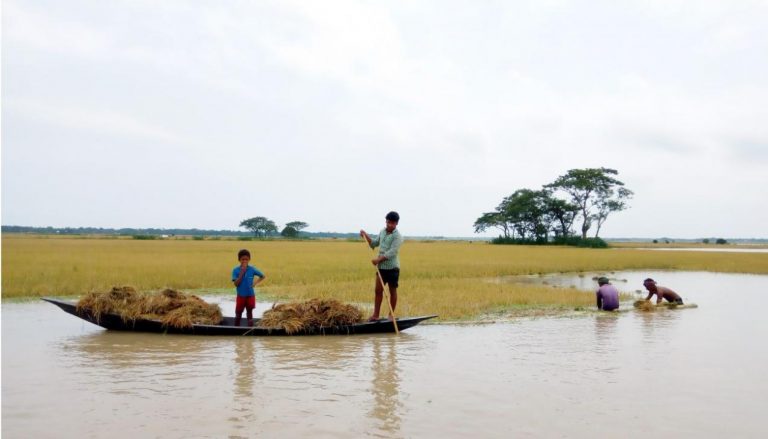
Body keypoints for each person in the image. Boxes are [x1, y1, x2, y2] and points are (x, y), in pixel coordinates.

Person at [360, 211, 404, 322]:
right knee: (378, 291)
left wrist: (378, 259)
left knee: (392, 291)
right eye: (388, 222)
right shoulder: (382, 232)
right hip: (381, 268)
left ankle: (391, 315)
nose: (389, 225)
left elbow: (392, 252)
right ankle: (375, 315)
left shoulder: (398, 237)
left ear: (396, 224)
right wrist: (365, 235)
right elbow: (374, 243)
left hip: (393, 268)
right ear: (386, 221)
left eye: (392, 223)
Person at [231, 249, 266, 326]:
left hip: (250, 295)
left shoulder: (252, 269)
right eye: (242, 259)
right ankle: (236, 328)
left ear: (249, 259)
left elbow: (262, 276)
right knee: (238, 312)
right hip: (241, 295)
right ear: (239, 260)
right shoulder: (236, 270)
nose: (244, 261)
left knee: (249, 312)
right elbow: (236, 284)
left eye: (246, 259)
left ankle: (250, 328)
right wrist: (241, 273)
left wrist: (255, 283)